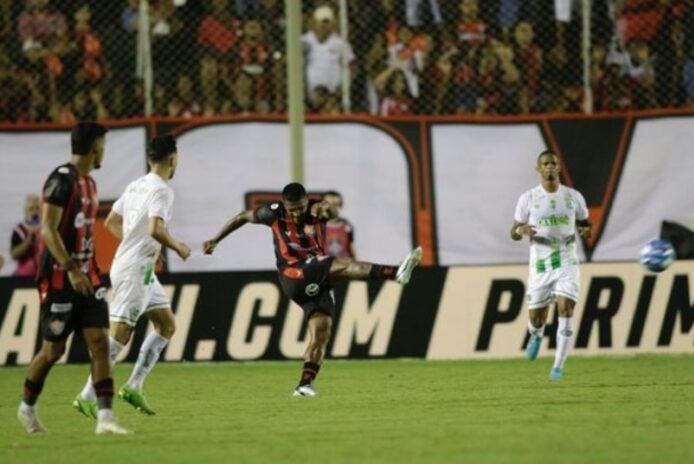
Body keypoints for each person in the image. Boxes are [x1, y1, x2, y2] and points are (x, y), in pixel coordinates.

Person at [202, 182, 422, 397]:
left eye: (299, 208)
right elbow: (242, 216)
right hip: (293, 274)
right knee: (341, 263)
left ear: (306, 201)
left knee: (321, 333)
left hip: (315, 279)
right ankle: (395, 273)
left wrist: (329, 207)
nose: (296, 214)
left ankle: (304, 385)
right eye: (292, 210)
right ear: (284, 204)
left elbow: (333, 212)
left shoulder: (317, 209)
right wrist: (216, 239)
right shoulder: (273, 213)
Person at [17, 121, 129, 435]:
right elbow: (48, 230)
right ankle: (27, 408)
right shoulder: (61, 180)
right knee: (53, 351)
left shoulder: (90, 184)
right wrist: (70, 269)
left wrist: (93, 273)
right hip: (59, 279)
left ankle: (105, 418)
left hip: (87, 279)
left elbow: (85, 235)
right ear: (95, 146)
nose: (104, 151)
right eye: (103, 145)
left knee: (100, 344)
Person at [73, 135, 190, 418]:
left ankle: (134, 386)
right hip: (134, 270)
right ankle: (86, 395)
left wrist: (138, 244)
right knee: (120, 336)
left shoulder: (136, 185)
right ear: (173, 159)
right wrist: (178, 246)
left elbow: (112, 221)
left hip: (141, 268)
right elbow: (155, 229)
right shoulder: (163, 190)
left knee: (166, 325)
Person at [510, 150, 592, 381]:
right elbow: (513, 231)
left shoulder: (573, 197)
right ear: (538, 168)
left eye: (553, 163)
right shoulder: (528, 198)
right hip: (541, 264)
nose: (550, 167)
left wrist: (586, 230)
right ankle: (536, 334)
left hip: (567, 259)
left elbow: (586, 223)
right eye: (545, 164)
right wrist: (520, 230)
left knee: (566, 310)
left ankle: (558, 366)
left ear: (559, 167)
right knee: (537, 318)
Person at [10, 195, 41, 277]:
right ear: (26, 211)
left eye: (37, 208)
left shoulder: (48, 228)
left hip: (43, 273)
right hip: (24, 273)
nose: (35, 212)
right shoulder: (19, 230)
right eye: (31, 209)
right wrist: (29, 238)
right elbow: (14, 255)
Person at [322, 190, 356, 258]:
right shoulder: (318, 225)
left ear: (340, 206)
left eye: (335, 205)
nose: (332, 208)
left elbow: (352, 249)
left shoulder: (347, 226)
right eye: (329, 205)